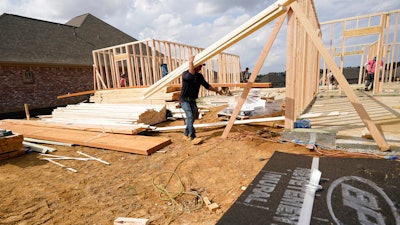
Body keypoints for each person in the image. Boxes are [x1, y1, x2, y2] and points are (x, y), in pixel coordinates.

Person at [180, 56, 221, 145]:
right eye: (199, 66)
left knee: (193, 117)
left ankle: (185, 134)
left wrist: (216, 90)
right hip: (185, 100)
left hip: (193, 100)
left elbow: (206, 85)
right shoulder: (185, 74)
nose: (201, 67)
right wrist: (191, 62)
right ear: (194, 66)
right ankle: (192, 137)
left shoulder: (199, 76)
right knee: (190, 116)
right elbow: (190, 76)